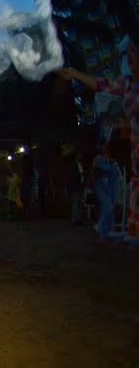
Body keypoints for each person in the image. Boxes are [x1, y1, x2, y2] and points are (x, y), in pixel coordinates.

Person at [58, 35, 138, 241]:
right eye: (128, 54)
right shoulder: (127, 84)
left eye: (133, 52)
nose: (130, 58)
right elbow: (101, 84)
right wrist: (76, 74)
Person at [91, 143, 117, 241]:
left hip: (105, 187)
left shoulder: (106, 160)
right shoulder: (99, 159)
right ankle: (100, 227)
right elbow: (105, 169)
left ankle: (103, 234)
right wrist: (110, 163)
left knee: (106, 208)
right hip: (100, 186)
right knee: (108, 206)